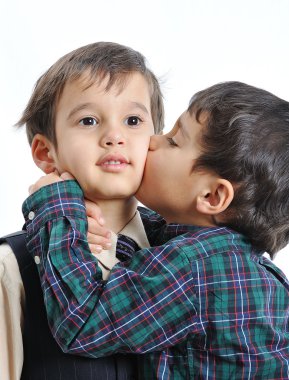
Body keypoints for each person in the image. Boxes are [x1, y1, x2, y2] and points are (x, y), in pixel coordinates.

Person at [24, 81, 289, 379]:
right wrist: (90, 223)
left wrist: (55, 207)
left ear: (212, 197)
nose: (152, 141)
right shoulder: (243, 265)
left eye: (174, 141)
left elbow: (82, 323)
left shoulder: (194, 270)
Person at [0, 41, 165, 380]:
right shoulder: (12, 267)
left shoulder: (189, 252)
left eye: (133, 120)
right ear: (47, 153)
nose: (114, 135)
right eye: (89, 120)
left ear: (156, 142)